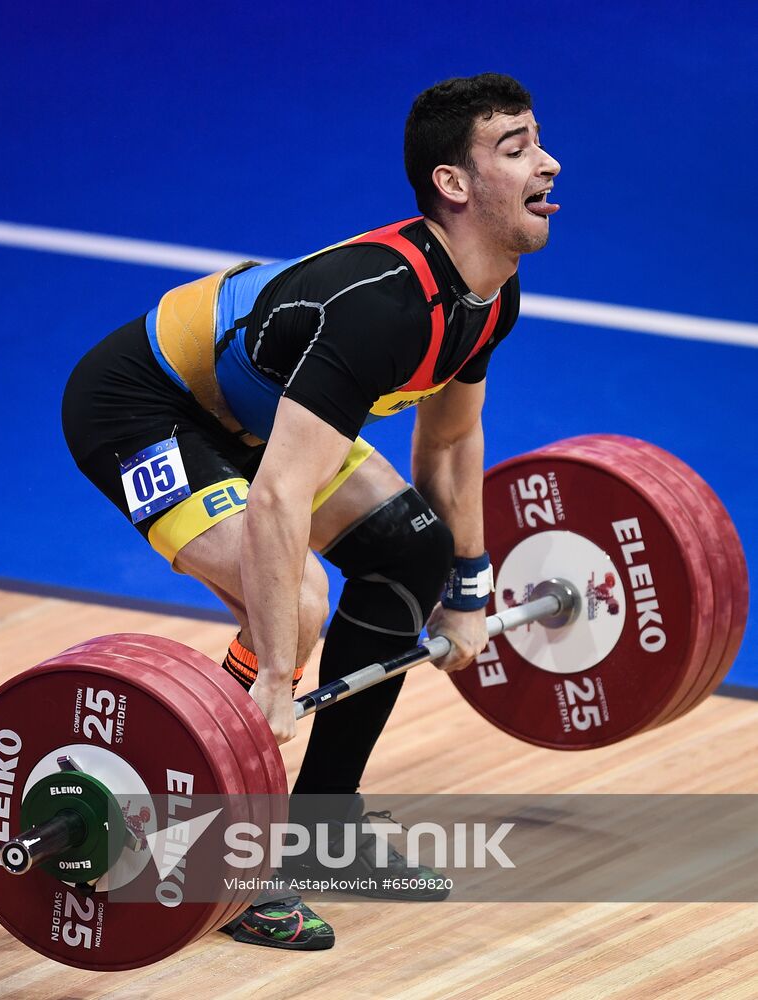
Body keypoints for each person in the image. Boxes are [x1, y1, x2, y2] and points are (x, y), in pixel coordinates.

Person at [62, 72, 561, 950]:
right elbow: (281, 495)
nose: (548, 164)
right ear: (454, 184)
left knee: (412, 554)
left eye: (538, 142)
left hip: (266, 416)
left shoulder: (489, 296)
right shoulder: (379, 309)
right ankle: (217, 859)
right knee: (289, 606)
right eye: (515, 149)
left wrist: (470, 585)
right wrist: (272, 678)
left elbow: (447, 444)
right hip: (145, 405)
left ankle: (321, 829)